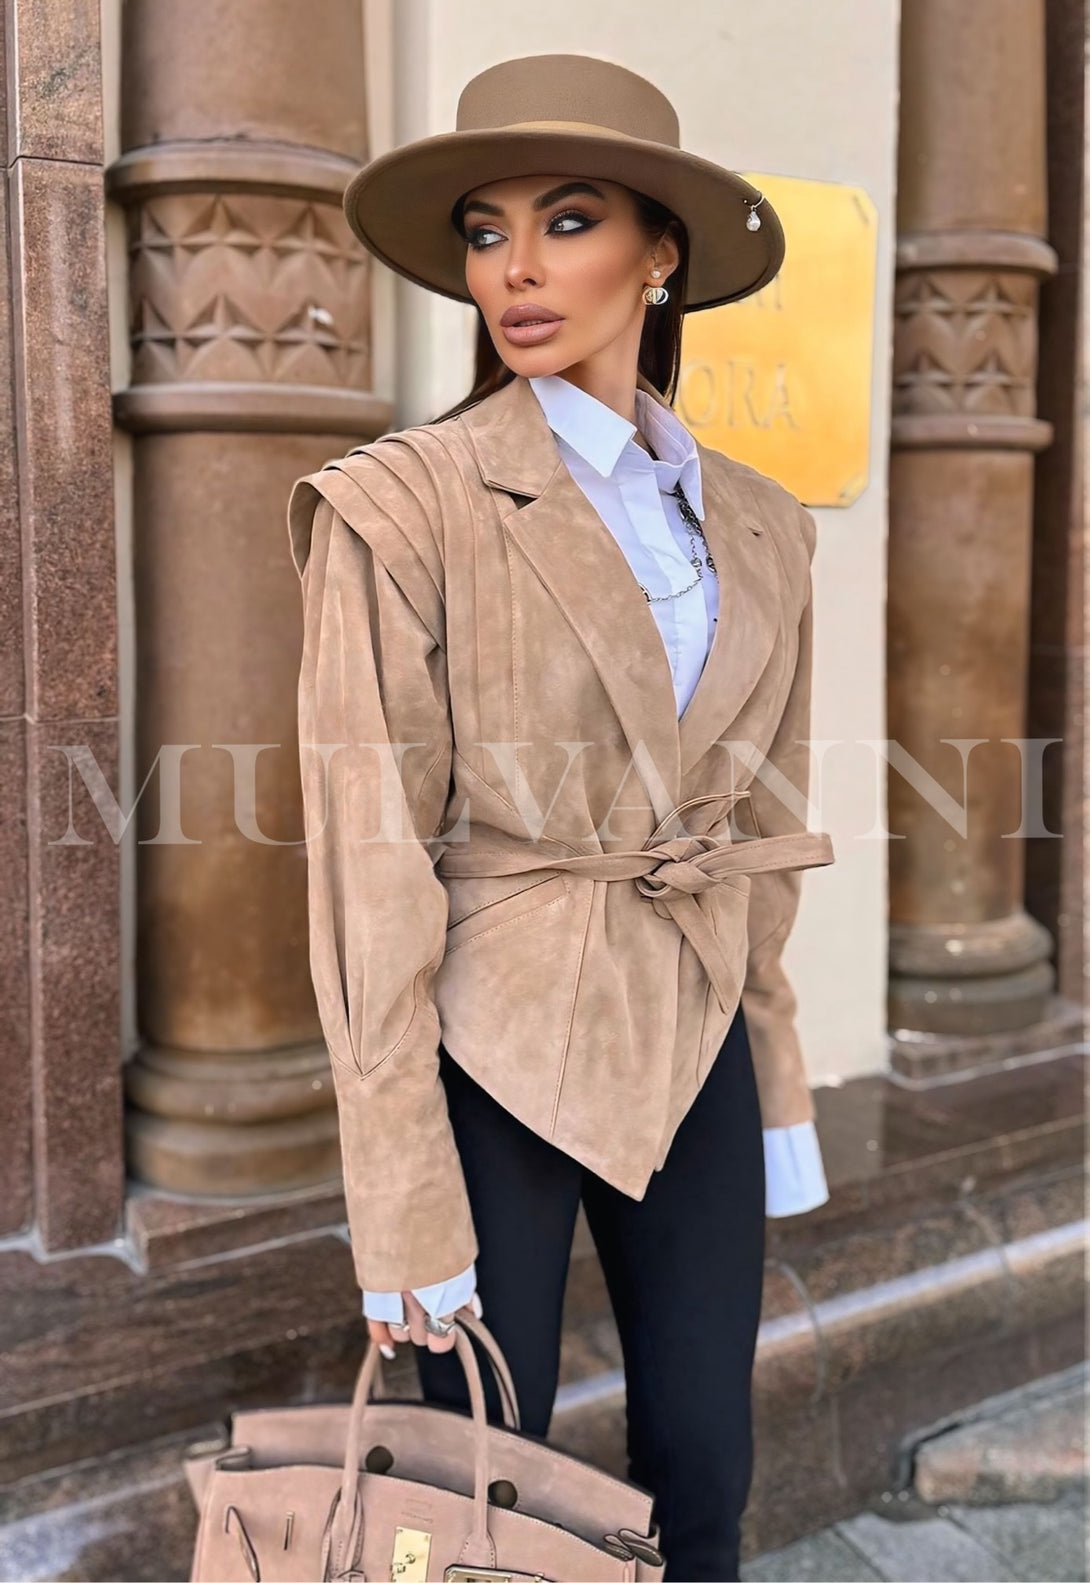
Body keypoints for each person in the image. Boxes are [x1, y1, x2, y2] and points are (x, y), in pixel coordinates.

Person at [288, 52, 836, 1582]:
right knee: (474, 1500)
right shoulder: (404, 505)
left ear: (659, 254)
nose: (516, 269)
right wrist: (396, 1197)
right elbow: (362, 860)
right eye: (484, 230)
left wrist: (773, 1066)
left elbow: (759, 816)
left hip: (692, 1021)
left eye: (569, 219)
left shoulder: (760, 521)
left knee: (704, 1470)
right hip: (486, 1042)